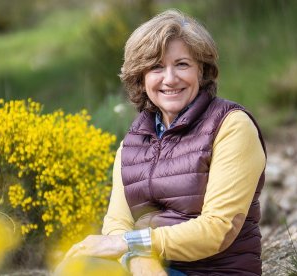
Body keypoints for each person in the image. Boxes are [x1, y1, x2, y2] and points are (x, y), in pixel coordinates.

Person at [57, 9, 266, 276]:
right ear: (140, 78)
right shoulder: (130, 144)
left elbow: (218, 229)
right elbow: (117, 224)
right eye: (156, 67)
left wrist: (134, 245)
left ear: (201, 71)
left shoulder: (232, 126)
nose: (170, 79)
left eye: (182, 64)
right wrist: (141, 260)